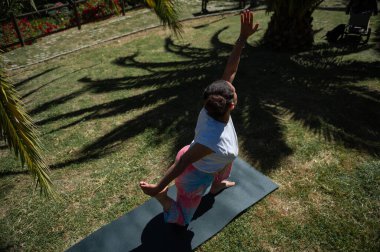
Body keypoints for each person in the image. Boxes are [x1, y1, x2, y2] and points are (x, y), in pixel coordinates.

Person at [139, 9, 259, 226]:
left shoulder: (212, 107)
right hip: (194, 175)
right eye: (232, 88)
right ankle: (164, 199)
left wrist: (242, 38)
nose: (232, 82)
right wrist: (158, 187)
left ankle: (217, 184)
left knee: (225, 162)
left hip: (212, 161)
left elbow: (230, 70)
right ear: (232, 104)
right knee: (181, 220)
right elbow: (184, 162)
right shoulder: (213, 140)